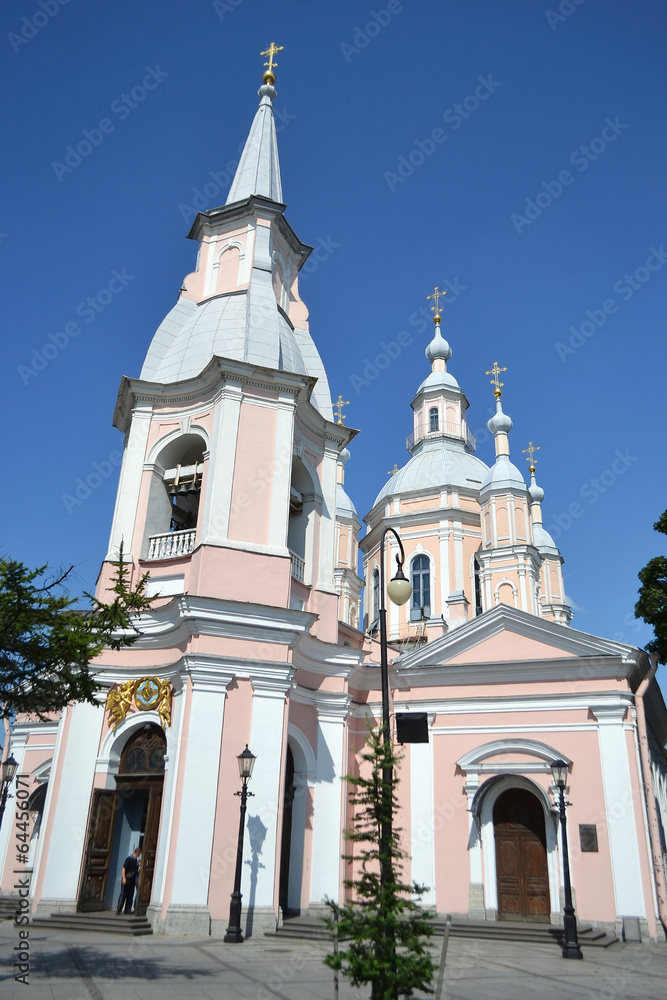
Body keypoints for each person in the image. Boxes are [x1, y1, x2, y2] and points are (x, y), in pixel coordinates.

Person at [116, 847, 141, 915]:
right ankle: (119, 909)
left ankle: (127, 910)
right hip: (127, 878)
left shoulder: (135, 860)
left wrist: (139, 861)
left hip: (132, 879)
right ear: (137, 852)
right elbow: (124, 868)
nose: (140, 854)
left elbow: (135, 868)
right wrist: (124, 878)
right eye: (139, 853)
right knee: (123, 894)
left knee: (130, 895)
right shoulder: (129, 859)